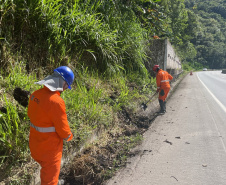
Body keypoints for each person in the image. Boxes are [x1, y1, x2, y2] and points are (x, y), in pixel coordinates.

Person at [27, 66, 75, 185]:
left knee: (47, 173)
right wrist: (69, 136)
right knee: (49, 181)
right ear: (63, 84)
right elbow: (64, 131)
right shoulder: (56, 102)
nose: (65, 89)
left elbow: (31, 114)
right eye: (66, 86)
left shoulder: (35, 94)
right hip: (49, 150)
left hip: (35, 145)